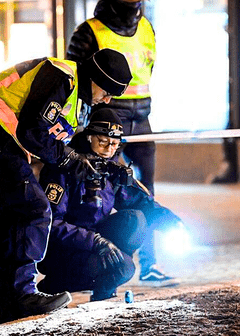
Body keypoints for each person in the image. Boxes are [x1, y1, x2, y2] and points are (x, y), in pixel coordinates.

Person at [0, 48, 132, 324]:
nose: (105, 100)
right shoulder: (62, 76)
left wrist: (80, 161)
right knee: (35, 209)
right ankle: (23, 294)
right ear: (96, 77)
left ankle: (12, 302)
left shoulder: (72, 97)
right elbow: (32, 131)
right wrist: (70, 160)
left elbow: (43, 136)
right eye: (107, 91)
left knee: (10, 220)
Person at [67, 0, 167, 283]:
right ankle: (115, 264)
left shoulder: (146, 27)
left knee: (145, 192)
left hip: (143, 117)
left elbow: (148, 69)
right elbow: (78, 81)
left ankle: (149, 263)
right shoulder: (90, 31)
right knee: (108, 188)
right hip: (108, 118)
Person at [37, 108, 183, 300]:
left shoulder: (111, 169)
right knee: (124, 267)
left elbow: (140, 203)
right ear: (89, 137)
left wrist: (172, 222)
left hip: (95, 243)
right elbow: (51, 224)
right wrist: (95, 242)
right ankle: (55, 284)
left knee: (135, 220)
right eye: (103, 142)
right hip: (63, 250)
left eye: (114, 144)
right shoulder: (66, 167)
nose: (108, 149)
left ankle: (104, 288)